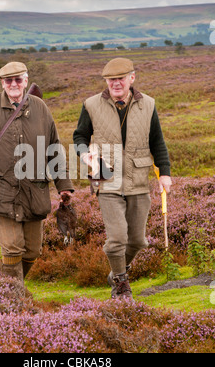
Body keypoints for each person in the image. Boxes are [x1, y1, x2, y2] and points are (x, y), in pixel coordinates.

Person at [0, 62, 74, 284]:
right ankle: (13, 299)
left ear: (26, 81)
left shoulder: (41, 108)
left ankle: (5, 286)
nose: (13, 84)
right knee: (13, 247)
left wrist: (63, 185)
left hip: (34, 191)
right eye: (8, 80)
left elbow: (54, 148)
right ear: (2, 84)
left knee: (32, 251)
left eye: (18, 79)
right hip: (0, 189)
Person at [73, 57, 172, 300]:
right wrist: (85, 155)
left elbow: (157, 141)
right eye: (111, 80)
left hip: (138, 180)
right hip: (107, 181)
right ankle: (120, 283)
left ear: (132, 78)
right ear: (106, 81)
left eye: (120, 78)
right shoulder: (91, 105)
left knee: (138, 241)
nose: (116, 83)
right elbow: (80, 137)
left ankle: (119, 270)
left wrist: (165, 173)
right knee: (117, 238)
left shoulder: (148, 104)